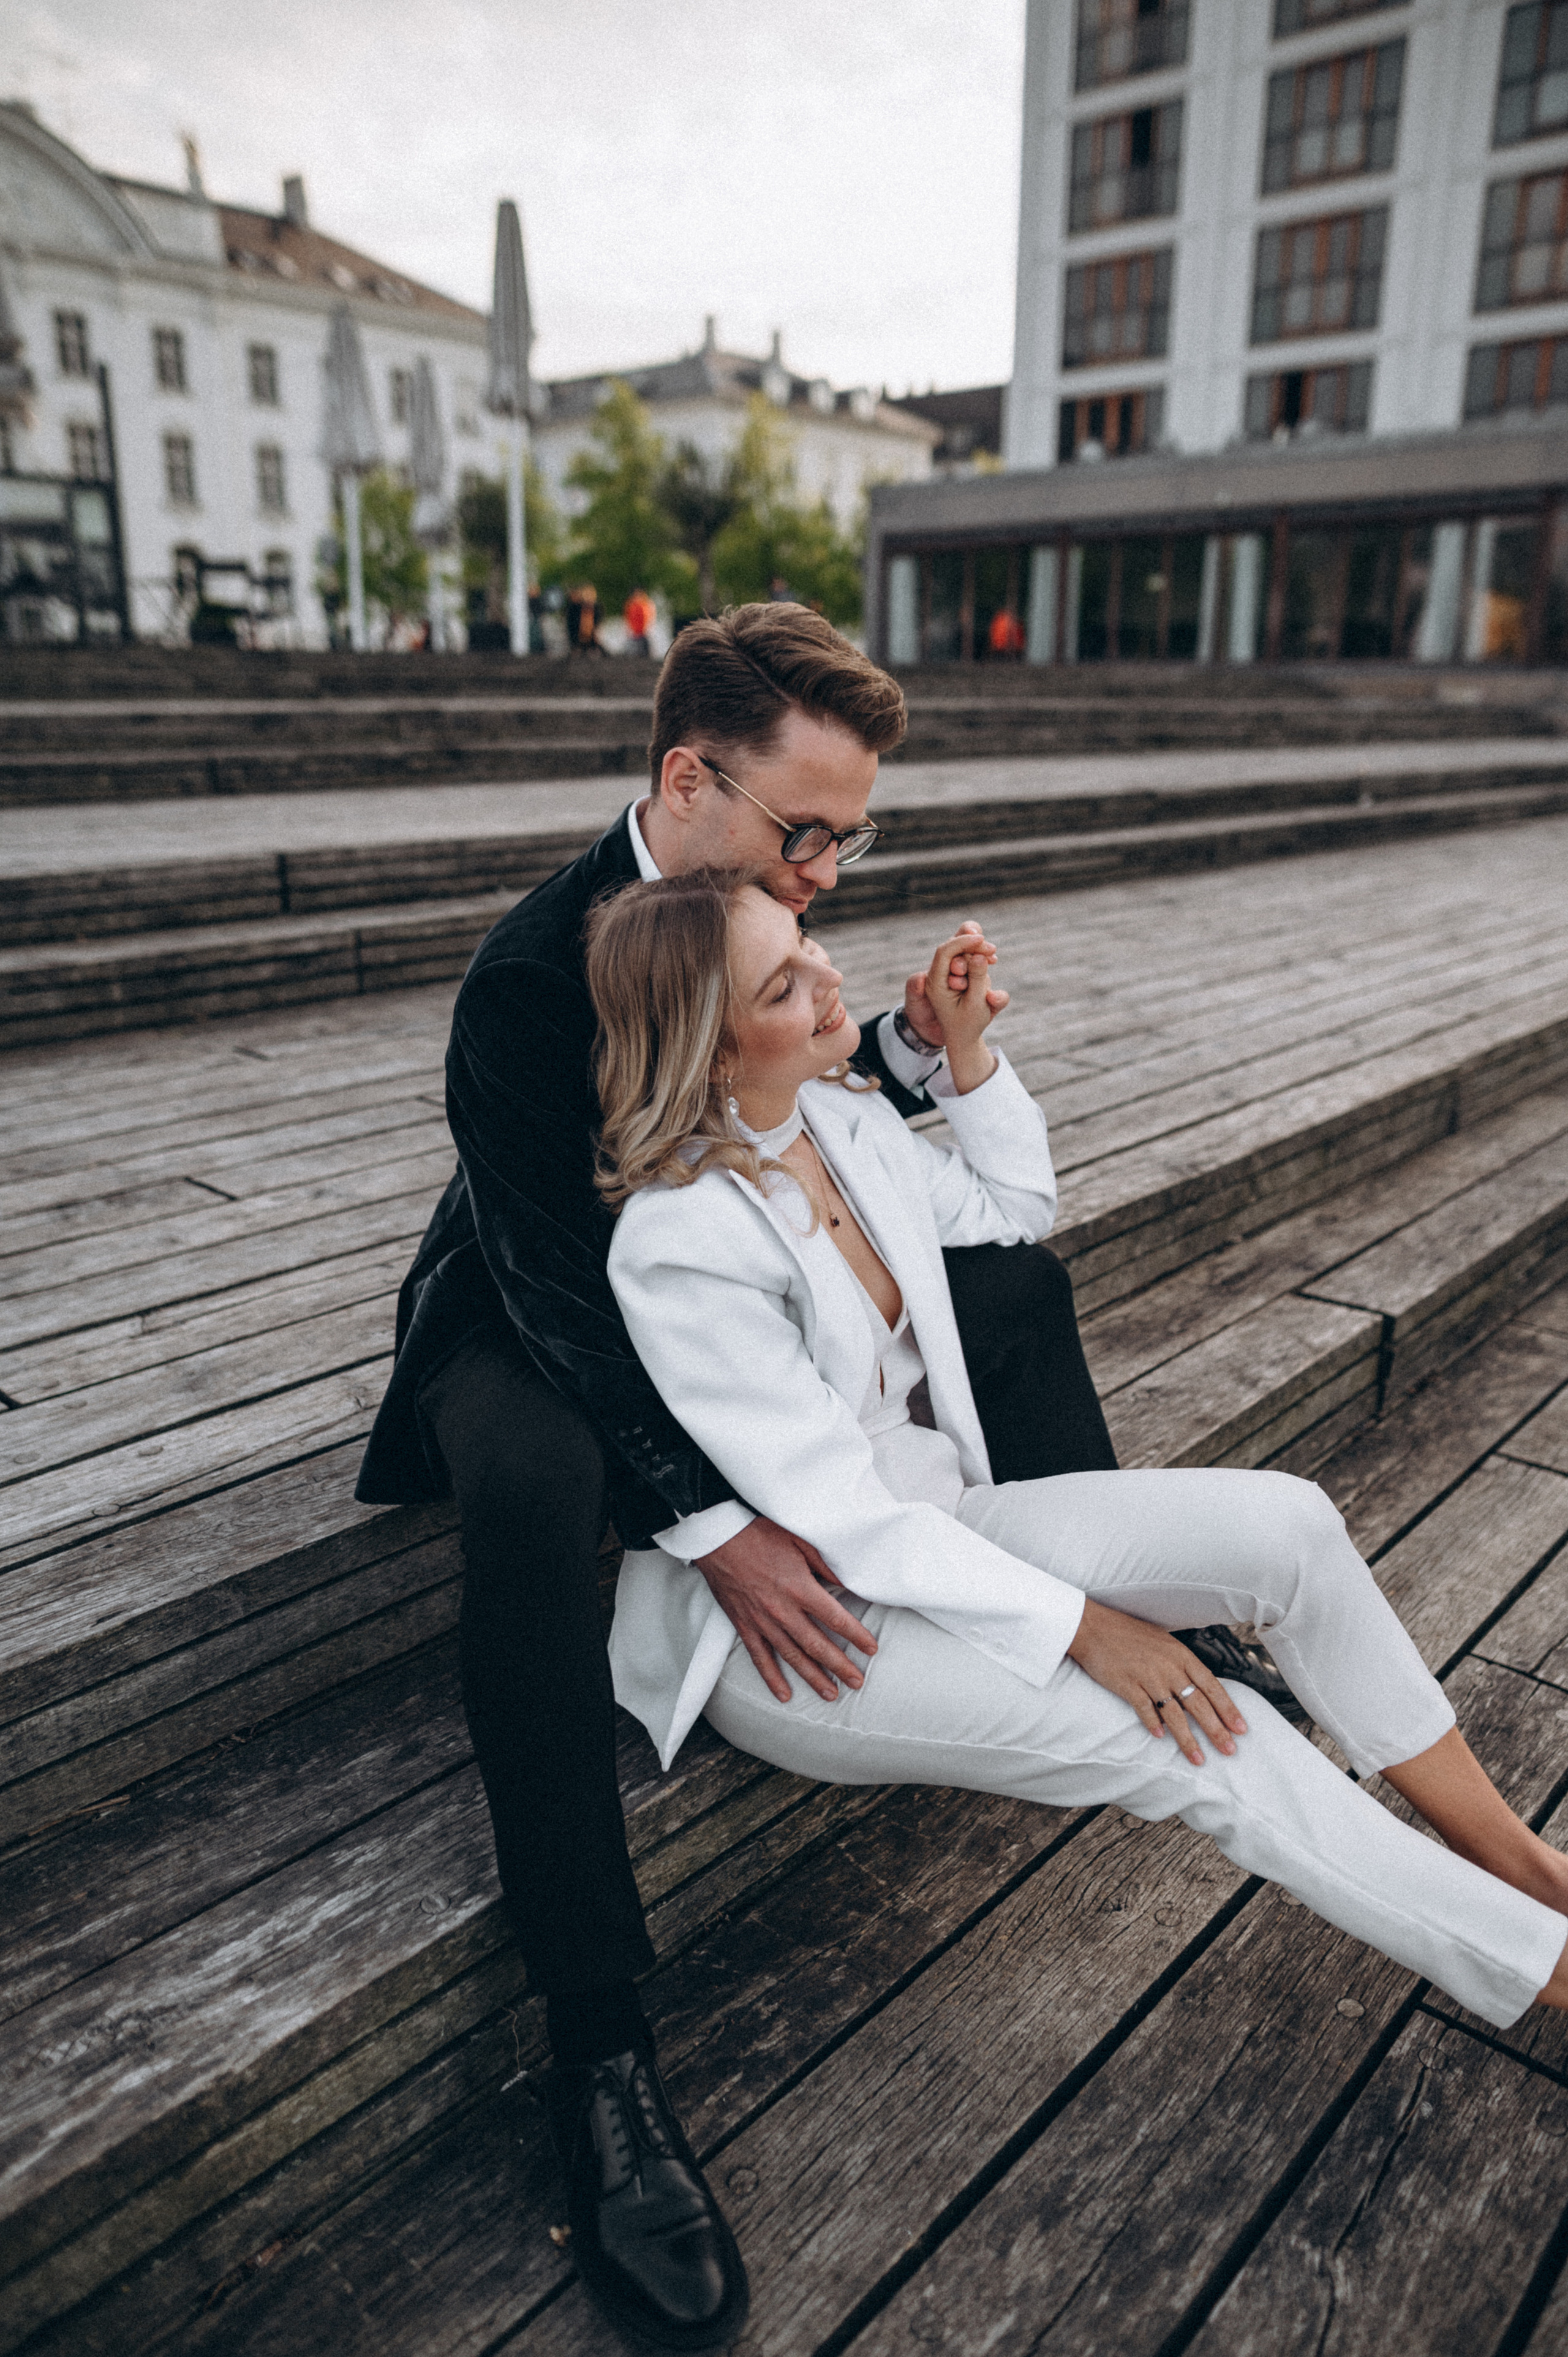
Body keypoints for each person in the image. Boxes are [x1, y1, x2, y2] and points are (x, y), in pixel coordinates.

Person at [355, 603, 1129, 2349]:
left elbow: (799, 1101)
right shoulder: (523, 981)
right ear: (686, 778)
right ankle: (603, 2062)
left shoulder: (761, 915)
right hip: (527, 1326)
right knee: (545, 1486)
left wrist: (927, 1052)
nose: (832, 871)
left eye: (855, 837)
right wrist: (716, 1525)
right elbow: (563, 1295)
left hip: (725, 1296)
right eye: (806, 833)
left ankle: (1091, 1602)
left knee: (1011, 1281)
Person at [586, 866, 1568, 2149]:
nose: (829, 976)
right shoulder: (676, 1241)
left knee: (1288, 1526)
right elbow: (836, 1517)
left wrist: (971, 1054)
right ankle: (1546, 1966)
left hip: (940, 1524)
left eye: (807, 942)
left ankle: (1518, 1861)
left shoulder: (841, 1122)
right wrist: (1082, 1627)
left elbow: (1011, 1215)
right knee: (1204, 1739)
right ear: (713, 1048)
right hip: (809, 1633)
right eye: (784, 981)